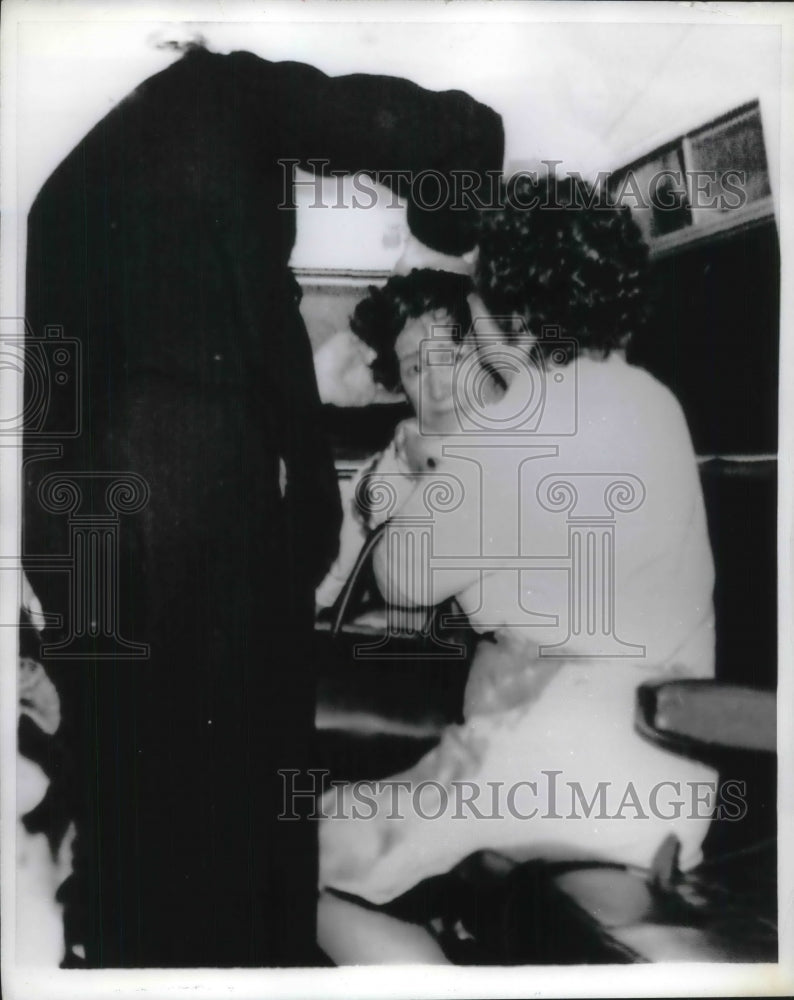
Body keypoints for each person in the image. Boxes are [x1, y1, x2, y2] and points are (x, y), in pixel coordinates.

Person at [22, 42, 503, 967]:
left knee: (129, 789)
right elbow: (447, 125)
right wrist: (312, 528)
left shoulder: (83, 181)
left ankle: (135, 951)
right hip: (189, 514)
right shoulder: (238, 97)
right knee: (246, 789)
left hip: (82, 529)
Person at [319, 174, 717, 940]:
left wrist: (421, 473)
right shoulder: (655, 403)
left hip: (548, 763)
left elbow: (405, 578)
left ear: (503, 306)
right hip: (670, 784)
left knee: (281, 860)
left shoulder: (511, 424)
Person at [315, 268, 475, 613]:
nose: (437, 388)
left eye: (453, 358)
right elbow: (332, 586)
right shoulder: (395, 463)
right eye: (416, 369)